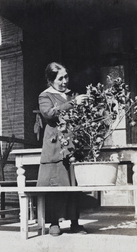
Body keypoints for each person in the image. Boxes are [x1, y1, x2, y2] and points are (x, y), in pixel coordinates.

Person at [37, 62, 88, 236]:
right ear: (51, 80)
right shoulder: (45, 96)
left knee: (73, 182)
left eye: (66, 77)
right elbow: (49, 114)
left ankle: (74, 222)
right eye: (61, 78)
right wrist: (73, 103)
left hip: (72, 144)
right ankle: (53, 223)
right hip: (55, 145)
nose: (65, 81)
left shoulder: (70, 94)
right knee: (55, 183)